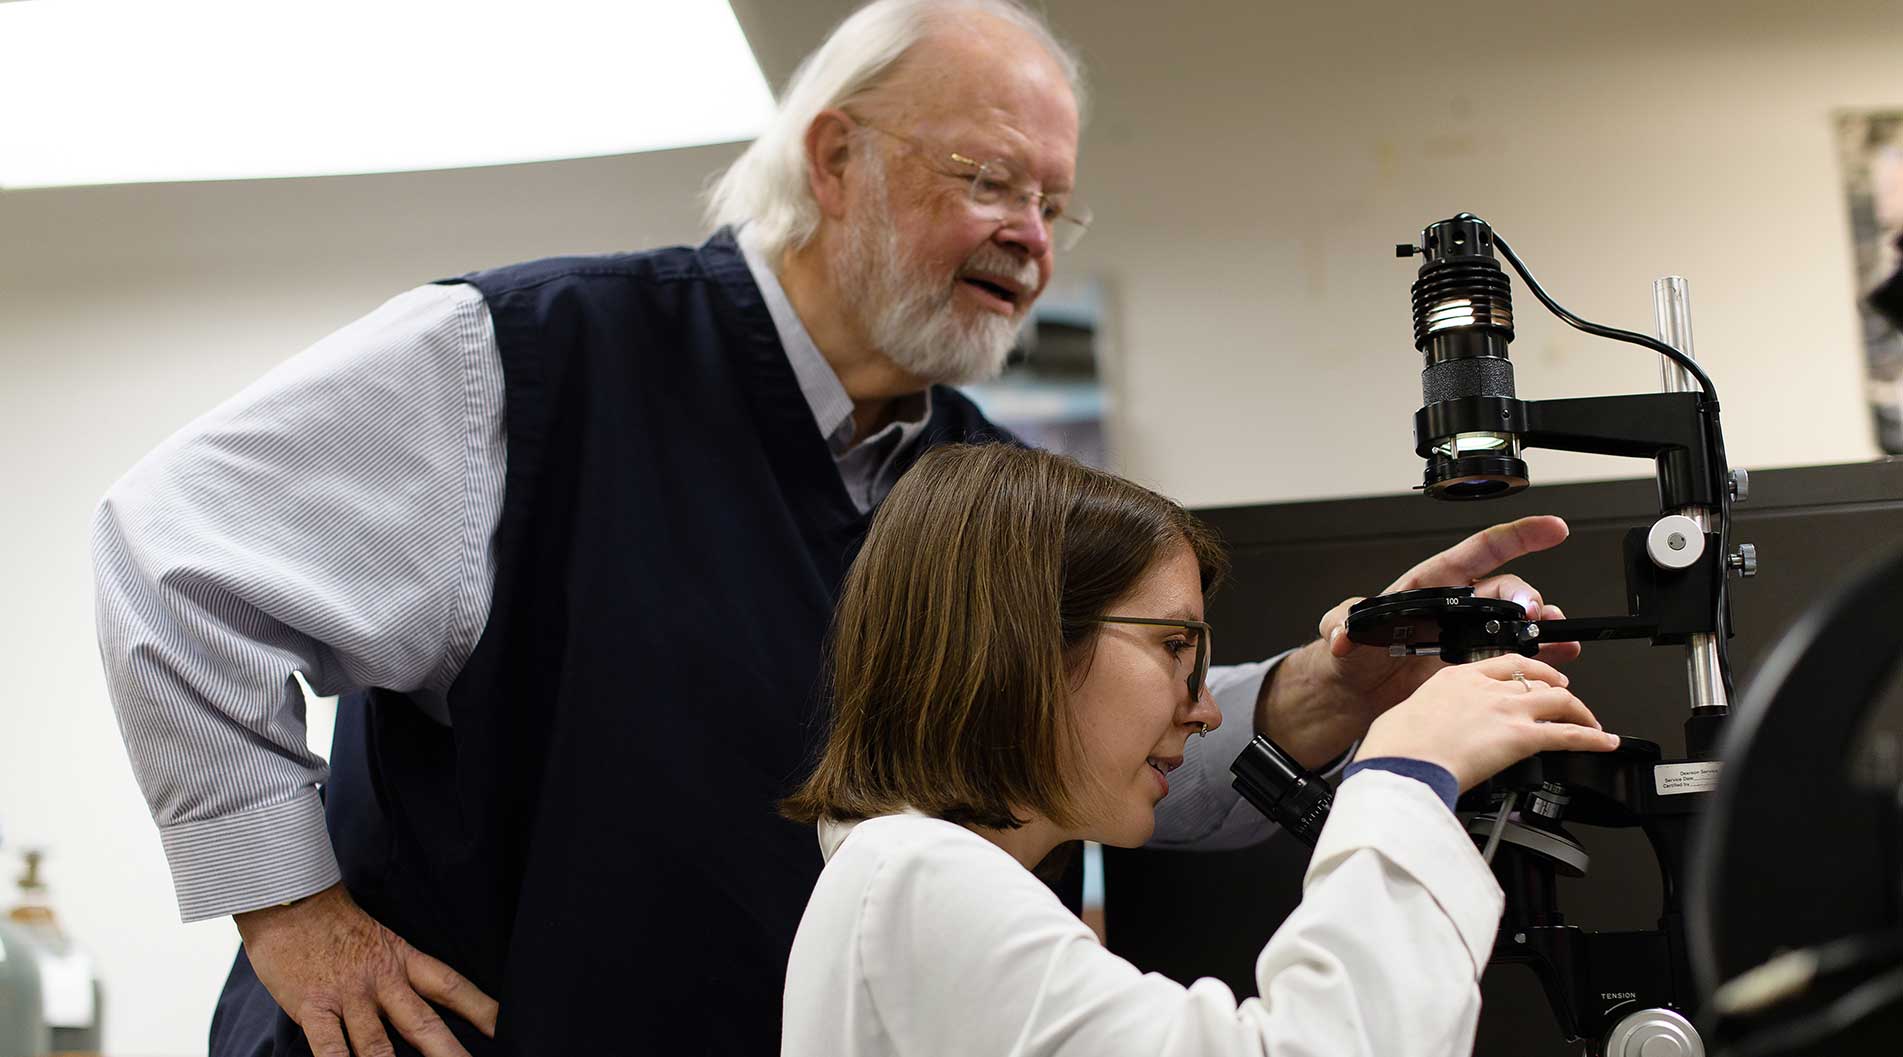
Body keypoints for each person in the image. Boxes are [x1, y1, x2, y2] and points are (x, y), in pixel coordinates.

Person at [89, 1, 1581, 1054]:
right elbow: (171, 552)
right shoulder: (535, 359)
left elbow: (1055, 750)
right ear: (833, 158)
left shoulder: (968, 477)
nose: (1030, 239)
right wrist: (292, 915)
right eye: (989, 180)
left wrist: (1328, 694)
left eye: (1056, 206)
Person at [779, 443, 1618, 1056]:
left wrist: (1358, 701)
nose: (1206, 710)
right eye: (1176, 647)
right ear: (1022, 642)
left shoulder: (908, 877)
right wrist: (1402, 774)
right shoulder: (919, 880)